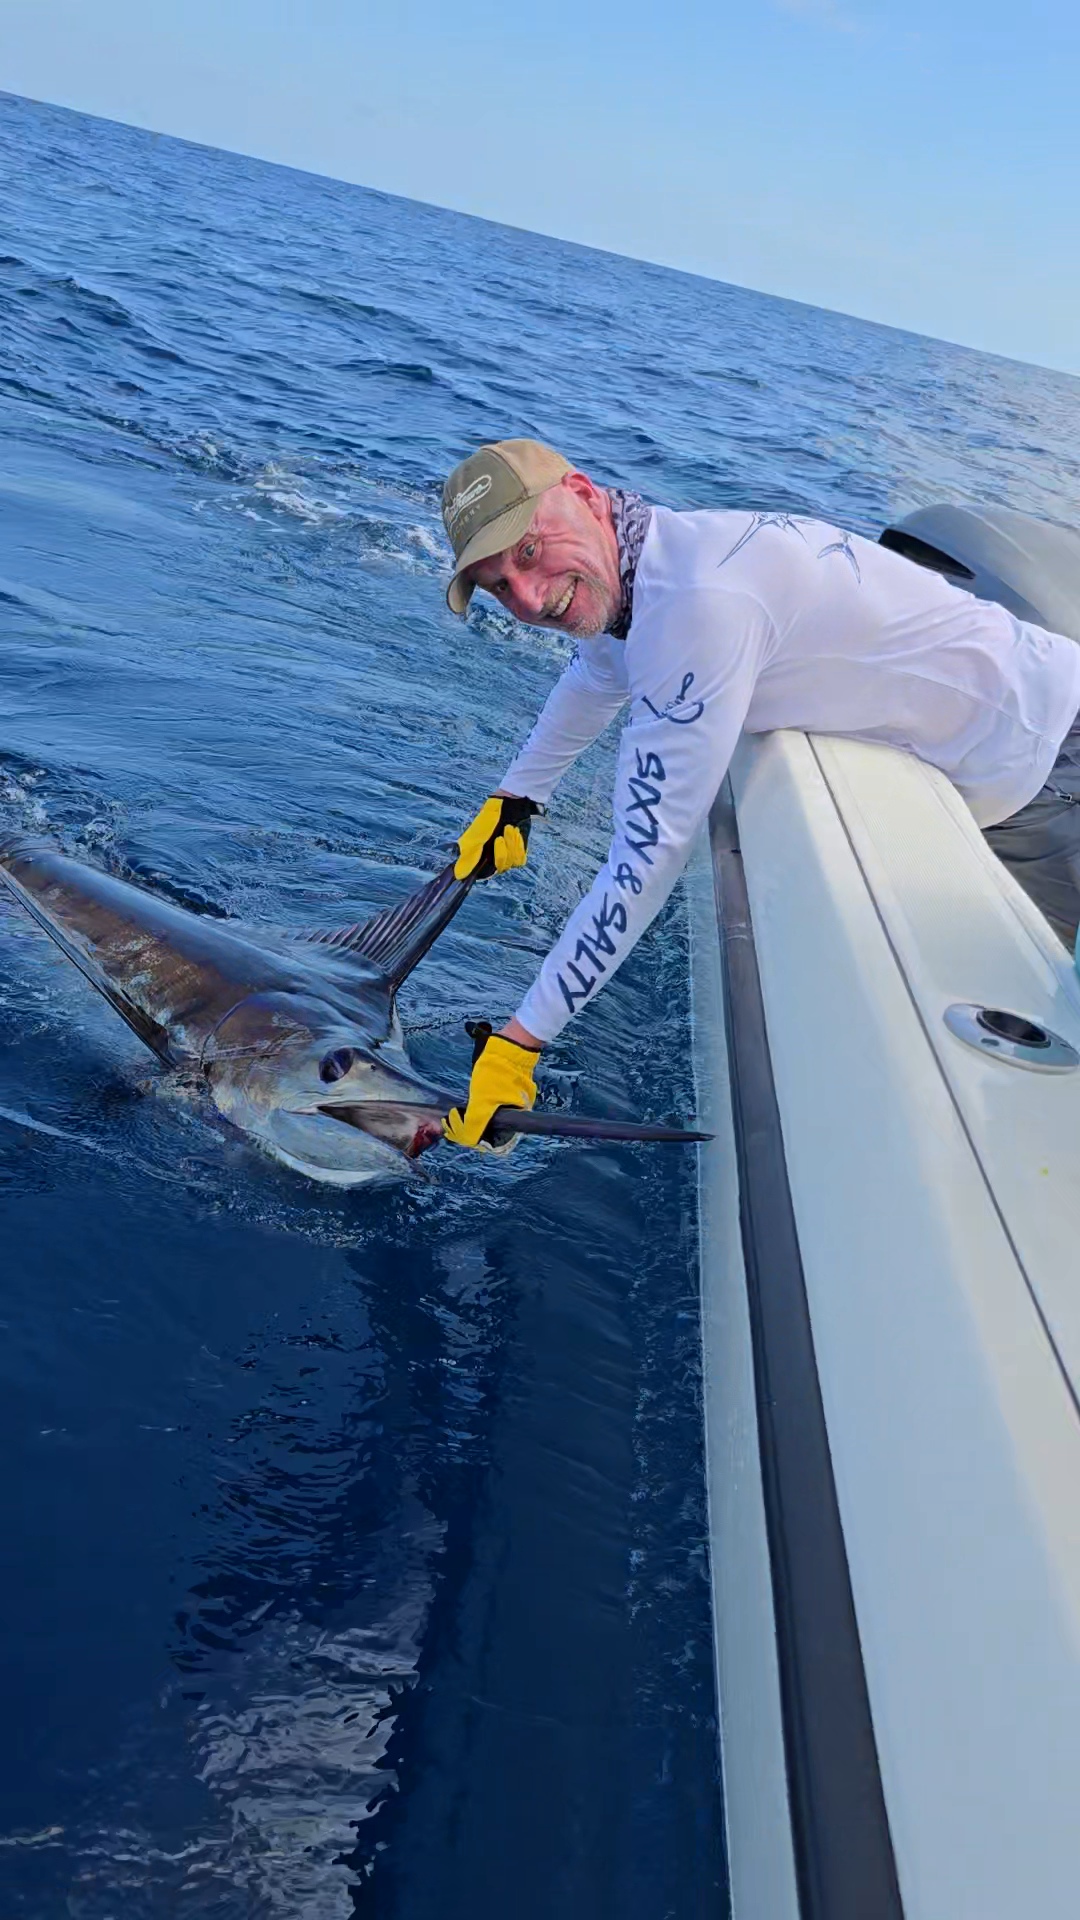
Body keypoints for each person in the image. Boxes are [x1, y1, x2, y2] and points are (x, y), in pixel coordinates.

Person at [439, 438, 1080, 1150]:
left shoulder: (698, 610)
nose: (526, 598)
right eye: (499, 586)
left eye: (527, 553)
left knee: (1030, 1061)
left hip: (1051, 765)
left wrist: (521, 1044)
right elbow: (596, 674)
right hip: (1021, 747)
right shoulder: (648, 562)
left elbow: (645, 861)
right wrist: (517, 800)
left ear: (585, 495)